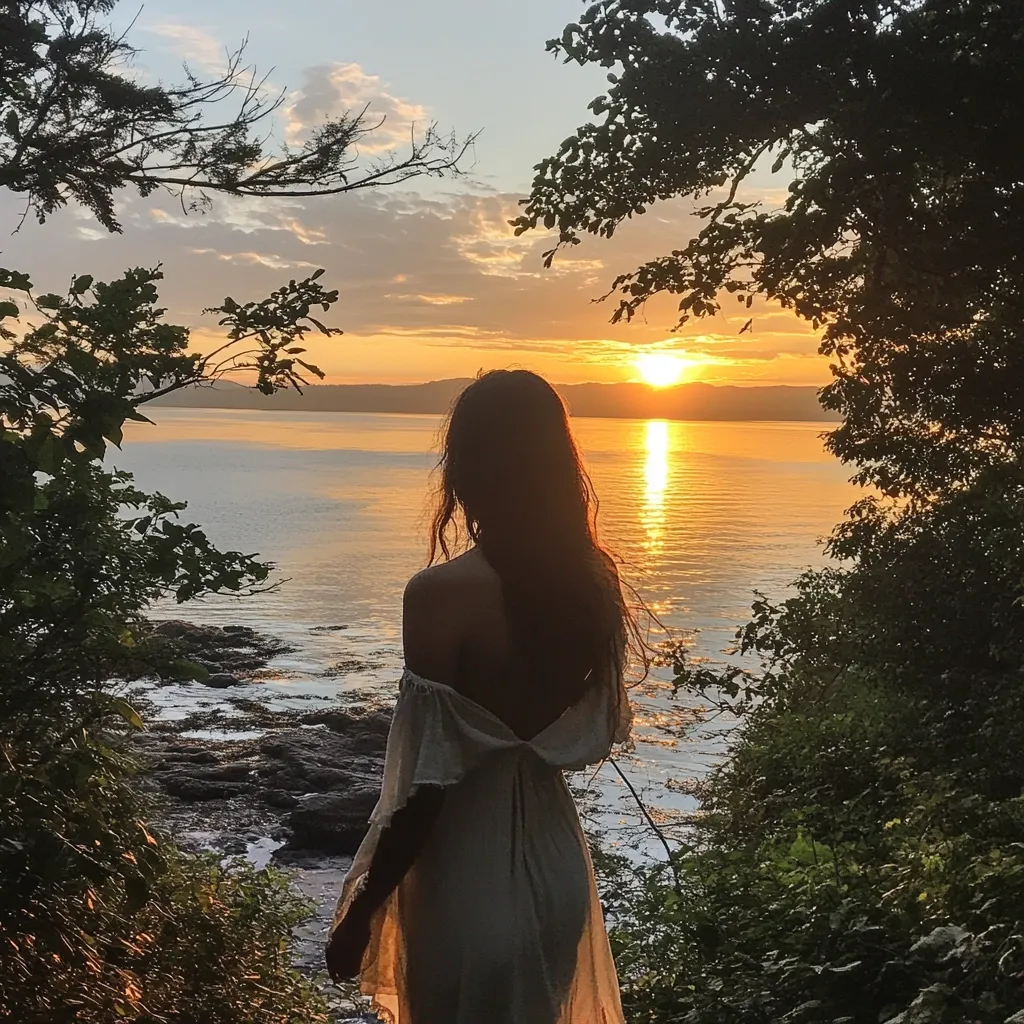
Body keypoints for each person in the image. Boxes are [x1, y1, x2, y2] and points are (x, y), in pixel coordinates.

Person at [326, 369, 644, 1024]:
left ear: (466, 467)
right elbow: (593, 725)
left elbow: (426, 784)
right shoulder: (593, 581)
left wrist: (361, 912)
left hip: (468, 879)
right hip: (556, 868)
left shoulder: (440, 594)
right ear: (558, 466)